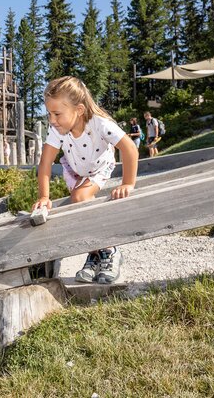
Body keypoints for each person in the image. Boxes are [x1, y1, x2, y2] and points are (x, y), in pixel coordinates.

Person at [32, 76, 139, 284]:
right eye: (49, 114)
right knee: (78, 199)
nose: (52, 120)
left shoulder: (99, 124)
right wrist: (44, 196)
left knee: (80, 197)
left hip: (100, 167)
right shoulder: (57, 130)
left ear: (79, 110)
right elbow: (45, 164)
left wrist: (127, 183)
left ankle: (109, 250)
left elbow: (130, 149)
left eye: (57, 114)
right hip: (75, 170)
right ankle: (94, 253)